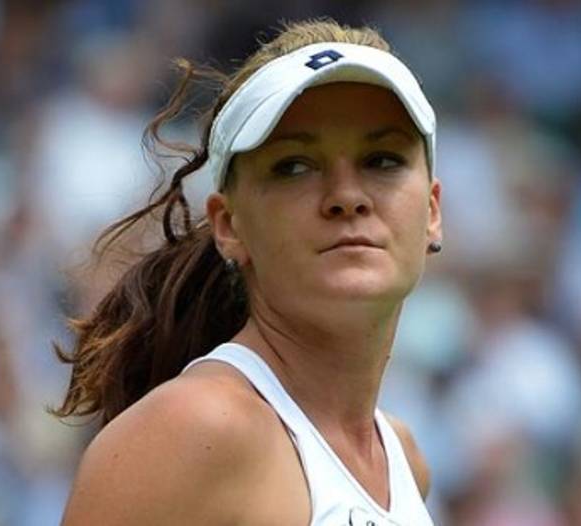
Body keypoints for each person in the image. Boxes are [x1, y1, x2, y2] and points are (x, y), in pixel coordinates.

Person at [54, 19, 442, 525]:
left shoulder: (406, 460)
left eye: (383, 160)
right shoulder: (194, 429)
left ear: (432, 210)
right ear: (228, 225)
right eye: (295, 166)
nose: (347, 196)